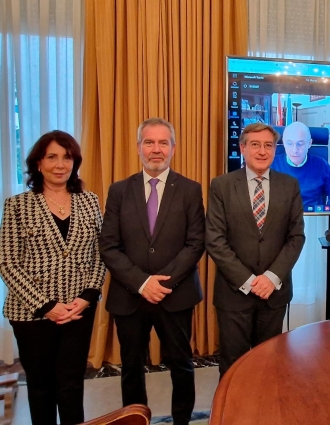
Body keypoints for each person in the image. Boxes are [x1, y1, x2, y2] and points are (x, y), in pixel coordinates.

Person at [99, 118, 205, 425]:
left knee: (181, 366)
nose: (155, 150)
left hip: (176, 294)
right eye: (149, 142)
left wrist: (163, 283)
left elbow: (195, 243)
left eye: (162, 143)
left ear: (173, 147)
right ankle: (135, 420)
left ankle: (182, 421)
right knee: (131, 368)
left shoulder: (189, 189)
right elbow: (109, 245)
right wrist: (142, 283)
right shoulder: (119, 191)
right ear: (138, 148)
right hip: (129, 296)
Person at [0, 131, 106, 425]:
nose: (60, 164)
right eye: (52, 157)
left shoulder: (90, 201)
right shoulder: (17, 205)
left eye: (67, 157)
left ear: (75, 162)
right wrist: (46, 306)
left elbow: (100, 255)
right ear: (38, 163)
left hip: (78, 310)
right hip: (31, 314)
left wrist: (87, 297)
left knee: (72, 384)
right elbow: (7, 263)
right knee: (41, 386)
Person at [206, 123, 305, 377]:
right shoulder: (222, 185)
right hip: (234, 294)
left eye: (268, 146)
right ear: (242, 148)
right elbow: (215, 240)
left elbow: (296, 237)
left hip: (274, 294)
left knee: (269, 364)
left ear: (275, 150)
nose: (262, 151)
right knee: (233, 367)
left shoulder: (290, 185)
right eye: (255, 145)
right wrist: (249, 281)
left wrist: (271, 279)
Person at [270, 121, 330, 206]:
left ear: (309, 144)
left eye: (300, 144)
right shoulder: (271, 165)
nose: (295, 150)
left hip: (312, 217)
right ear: (283, 142)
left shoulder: (321, 165)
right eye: (289, 143)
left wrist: (327, 214)